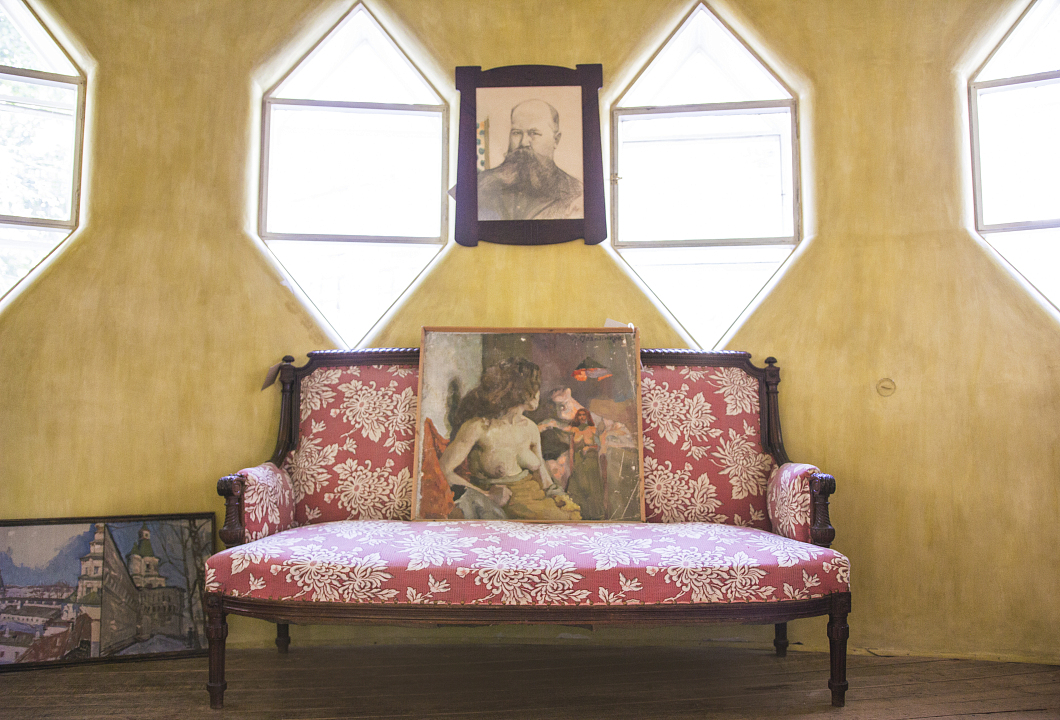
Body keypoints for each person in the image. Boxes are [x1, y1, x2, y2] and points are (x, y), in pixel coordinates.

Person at [439, 357, 581, 520]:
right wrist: (487, 495)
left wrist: (558, 496)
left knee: (571, 519)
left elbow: (544, 478)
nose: (538, 394)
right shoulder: (478, 427)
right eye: (534, 387)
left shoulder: (531, 428)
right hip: (507, 508)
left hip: (538, 501)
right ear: (518, 391)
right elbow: (444, 470)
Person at [477, 99, 584, 221]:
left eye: (534, 133)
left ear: (556, 140)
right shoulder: (482, 183)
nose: (523, 142)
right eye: (516, 133)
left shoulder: (575, 193)